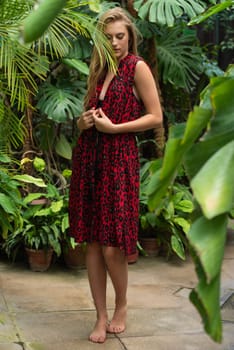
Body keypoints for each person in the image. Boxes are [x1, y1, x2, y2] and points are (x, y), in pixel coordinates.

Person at [69, 7, 163, 343]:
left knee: (112, 246)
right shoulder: (97, 71)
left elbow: (155, 117)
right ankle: (100, 316)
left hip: (118, 162)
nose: (115, 43)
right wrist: (82, 123)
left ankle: (121, 305)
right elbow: (87, 115)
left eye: (120, 36)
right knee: (92, 244)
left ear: (129, 36)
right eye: (108, 38)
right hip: (89, 161)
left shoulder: (136, 68)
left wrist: (116, 128)